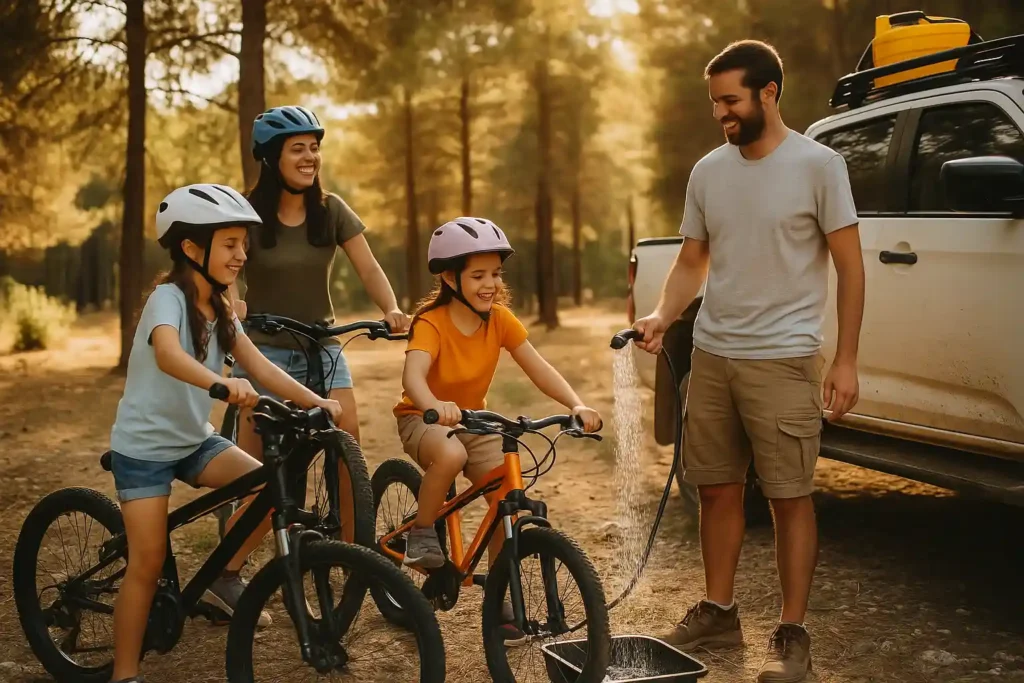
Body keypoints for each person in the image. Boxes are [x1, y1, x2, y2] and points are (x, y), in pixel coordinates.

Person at [632, 41, 864, 683]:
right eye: (715, 103)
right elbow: (691, 261)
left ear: (768, 93)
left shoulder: (820, 166)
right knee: (715, 491)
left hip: (785, 358)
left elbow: (850, 264)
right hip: (712, 354)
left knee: (790, 497)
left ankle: (792, 635)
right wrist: (661, 315)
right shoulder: (709, 171)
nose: (721, 114)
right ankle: (719, 609)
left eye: (731, 100)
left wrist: (844, 359)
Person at [107, 183, 343, 683]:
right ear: (192, 249)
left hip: (194, 440)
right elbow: (169, 354)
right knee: (146, 565)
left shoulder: (223, 308)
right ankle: (123, 673)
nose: (241, 255)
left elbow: (259, 366)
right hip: (145, 449)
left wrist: (317, 402)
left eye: (243, 243)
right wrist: (221, 383)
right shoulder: (166, 299)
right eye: (230, 244)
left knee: (268, 490)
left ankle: (220, 577)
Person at [393, 217, 602, 641]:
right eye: (477, 275)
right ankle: (420, 533)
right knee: (451, 455)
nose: (489, 284)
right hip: (423, 418)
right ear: (450, 278)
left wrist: (575, 404)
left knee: (506, 494)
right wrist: (434, 405)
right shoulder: (431, 323)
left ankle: (499, 597)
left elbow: (538, 367)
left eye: (494, 274)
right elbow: (413, 378)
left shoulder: (500, 320)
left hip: (473, 420)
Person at [230, 104, 410, 459]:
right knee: (252, 459)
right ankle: (250, 513)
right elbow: (227, 270)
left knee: (348, 438)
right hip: (263, 348)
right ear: (270, 158)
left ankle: (351, 517)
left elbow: (368, 267)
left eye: (314, 148)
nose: (310, 157)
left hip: (322, 344)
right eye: (298, 149)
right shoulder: (245, 212)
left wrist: (390, 308)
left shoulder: (331, 210)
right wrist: (232, 301)